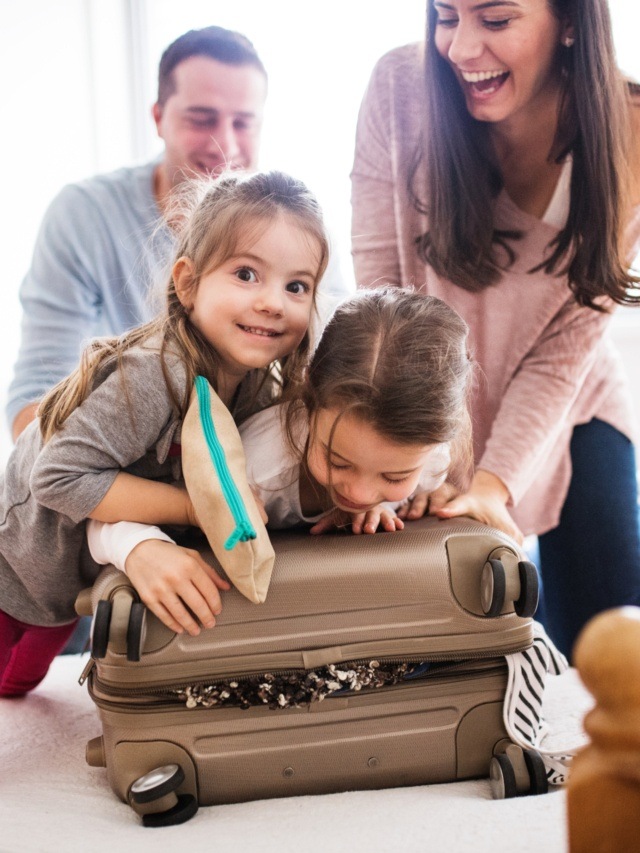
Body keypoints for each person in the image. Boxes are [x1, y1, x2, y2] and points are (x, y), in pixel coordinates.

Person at [350, 0, 640, 657]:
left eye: (496, 19)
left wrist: (491, 483)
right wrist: (430, 461)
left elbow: (565, 352)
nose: (458, 47)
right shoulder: (401, 88)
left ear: (569, 22)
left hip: (568, 407)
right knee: (429, 658)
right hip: (427, 398)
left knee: (611, 652)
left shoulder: (631, 130)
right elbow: (383, 302)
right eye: (446, 14)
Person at [0, 169, 329, 697]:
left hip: (68, 584)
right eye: (246, 274)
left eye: (296, 286)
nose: (273, 301)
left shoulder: (256, 386)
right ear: (188, 282)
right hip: (16, 562)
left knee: (20, 688)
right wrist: (191, 507)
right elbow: (57, 479)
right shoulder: (157, 374)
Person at [6, 24, 347, 442]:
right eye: (201, 119)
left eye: (243, 123)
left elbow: (338, 370)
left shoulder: (300, 231)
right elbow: (35, 404)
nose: (224, 144)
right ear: (158, 118)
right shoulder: (83, 215)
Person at [88, 288, 473, 633]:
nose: (360, 492)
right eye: (338, 462)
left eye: (394, 475)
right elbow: (102, 513)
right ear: (309, 398)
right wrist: (138, 548)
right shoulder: (258, 467)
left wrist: (399, 501)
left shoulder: (432, 458)